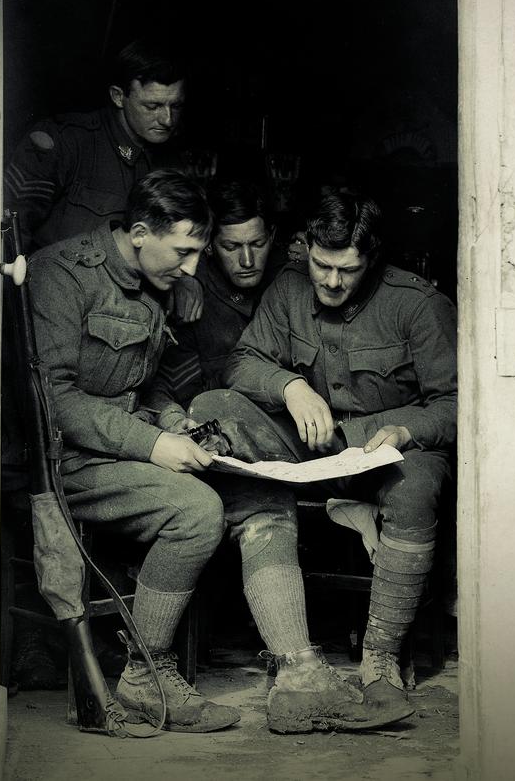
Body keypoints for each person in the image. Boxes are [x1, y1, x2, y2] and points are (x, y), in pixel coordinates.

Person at [190, 187, 456, 725]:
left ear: (371, 260)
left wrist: (407, 428)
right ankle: (296, 662)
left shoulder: (418, 304)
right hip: (311, 453)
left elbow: (457, 401)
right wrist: (289, 386)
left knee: (419, 484)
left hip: (389, 453)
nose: (332, 282)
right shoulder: (287, 290)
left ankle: (379, 663)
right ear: (306, 247)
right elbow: (242, 363)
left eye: (348, 270)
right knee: (212, 404)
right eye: (321, 265)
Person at [27, 169, 238, 732]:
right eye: (185, 253)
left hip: (115, 446)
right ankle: (145, 675)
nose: (193, 270)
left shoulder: (156, 281)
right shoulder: (61, 276)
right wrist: (152, 443)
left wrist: (175, 422)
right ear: (140, 231)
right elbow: (54, 398)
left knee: (227, 486)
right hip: (61, 458)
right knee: (196, 511)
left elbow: (145, 386)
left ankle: (144, 667)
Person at [4, 38, 187, 254]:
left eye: (175, 106)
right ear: (118, 97)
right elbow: (11, 233)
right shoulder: (67, 142)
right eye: (153, 106)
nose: (167, 120)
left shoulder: (175, 160)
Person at [163, 179, 284, 406]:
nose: (247, 261)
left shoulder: (289, 285)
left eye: (258, 244)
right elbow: (181, 399)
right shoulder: (190, 302)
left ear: (273, 236)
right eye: (231, 247)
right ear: (208, 245)